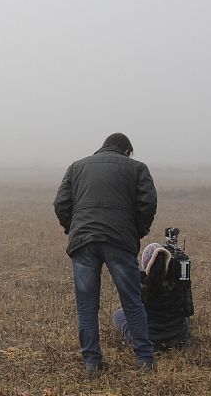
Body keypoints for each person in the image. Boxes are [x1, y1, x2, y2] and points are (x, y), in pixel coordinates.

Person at [53, 133, 157, 372]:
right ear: (127, 151)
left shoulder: (76, 167)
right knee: (132, 300)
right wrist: (136, 232)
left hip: (83, 243)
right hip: (120, 241)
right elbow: (148, 203)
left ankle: (92, 362)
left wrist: (74, 229)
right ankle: (144, 359)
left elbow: (61, 203)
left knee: (87, 306)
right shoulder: (137, 168)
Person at [113, 243, 193, 350]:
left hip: (148, 340)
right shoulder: (177, 284)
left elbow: (130, 312)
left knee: (118, 314)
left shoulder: (138, 285)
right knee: (185, 319)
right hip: (178, 340)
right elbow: (188, 311)